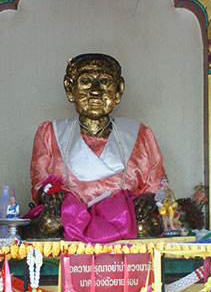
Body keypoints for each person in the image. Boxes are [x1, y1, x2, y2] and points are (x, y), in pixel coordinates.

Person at [28, 53, 165, 241]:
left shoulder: (138, 133)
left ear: (118, 90)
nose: (95, 91)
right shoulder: (51, 133)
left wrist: (148, 198)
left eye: (104, 82)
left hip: (121, 213)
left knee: (145, 226)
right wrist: (49, 195)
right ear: (70, 89)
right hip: (70, 213)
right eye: (85, 81)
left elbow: (155, 183)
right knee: (49, 223)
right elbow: (40, 182)